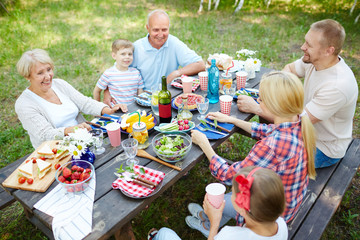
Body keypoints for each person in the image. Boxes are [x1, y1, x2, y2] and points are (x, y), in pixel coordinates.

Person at [187, 71, 316, 237]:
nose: (257, 102)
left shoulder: (271, 147)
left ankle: (211, 223)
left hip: (268, 214)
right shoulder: (298, 122)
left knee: (217, 201)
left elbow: (230, 175)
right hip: (288, 203)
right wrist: (233, 120)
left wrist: (204, 144)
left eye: (260, 99)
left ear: (274, 106)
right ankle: (209, 218)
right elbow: (267, 130)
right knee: (224, 203)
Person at [237, 19, 358, 168]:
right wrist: (277, 94)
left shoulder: (337, 86)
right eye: (305, 42)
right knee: (271, 117)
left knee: (267, 165)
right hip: (302, 132)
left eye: (309, 45)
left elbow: (298, 123)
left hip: (322, 147)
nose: (302, 47)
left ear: (329, 50)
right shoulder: (315, 60)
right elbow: (290, 69)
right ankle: (265, 151)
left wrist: (256, 108)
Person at [15, 49, 127, 149]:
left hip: (84, 141)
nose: (48, 76)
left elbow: (84, 102)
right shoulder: (24, 104)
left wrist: (109, 110)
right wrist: (69, 130)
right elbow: (45, 134)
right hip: (56, 151)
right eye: (40, 73)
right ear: (27, 76)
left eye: (49, 69)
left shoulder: (59, 84)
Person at [147, 167, 288, 240]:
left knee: (165, 233)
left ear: (242, 208)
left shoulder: (230, 235)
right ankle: (203, 221)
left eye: (232, 193)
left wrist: (215, 223)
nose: (230, 195)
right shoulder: (281, 225)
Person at [103, 10, 205, 106]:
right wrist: (107, 92)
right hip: (142, 100)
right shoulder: (137, 48)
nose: (160, 34)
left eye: (164, 30)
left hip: (168, 97)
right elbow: (116, 71)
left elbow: (200, 64)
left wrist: (177, 73)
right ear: (147, 28)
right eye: (156, 30)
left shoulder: (174, 43)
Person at [93, 39, 144, 105]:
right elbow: (97, 91)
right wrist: (99, 108)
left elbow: (140, 91)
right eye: (123, 54)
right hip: (116, 111)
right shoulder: (109, 74)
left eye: (130, 54)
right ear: (114, 56)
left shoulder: (136, 73)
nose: (127, 57)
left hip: (133, 110)